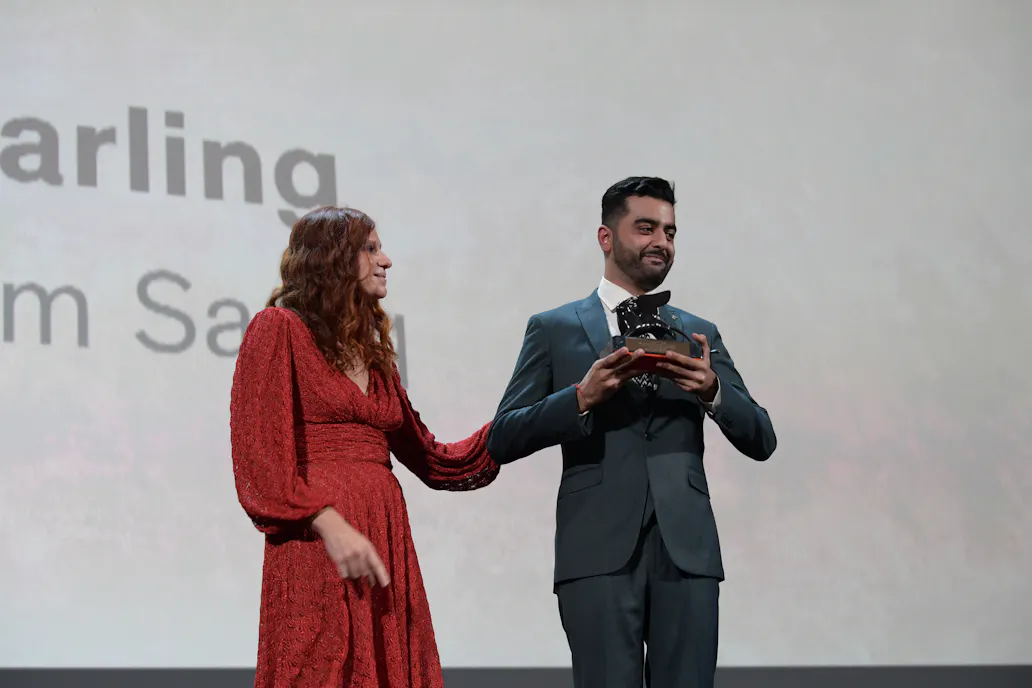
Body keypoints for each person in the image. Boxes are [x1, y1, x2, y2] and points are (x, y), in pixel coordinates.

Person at [487, 177, 776, 688]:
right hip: (595, 551)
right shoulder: (553, 328)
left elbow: (761, 438)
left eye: (670, 231)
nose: (661, 241)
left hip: (687, 552)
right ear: (606, 237)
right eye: (646, 228)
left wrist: (711, 390)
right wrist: (580, 397)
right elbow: (503, 436)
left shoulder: (698, 332)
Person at [230, 206, 499, 688]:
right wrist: (329, 524)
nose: (386, 260)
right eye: (370, 249)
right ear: (332, 258)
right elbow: (260, 463)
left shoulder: (375, 359)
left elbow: (437, 461)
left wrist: (542, 413)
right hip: (315, 547)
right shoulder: (277, 328)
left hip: (382, 543)